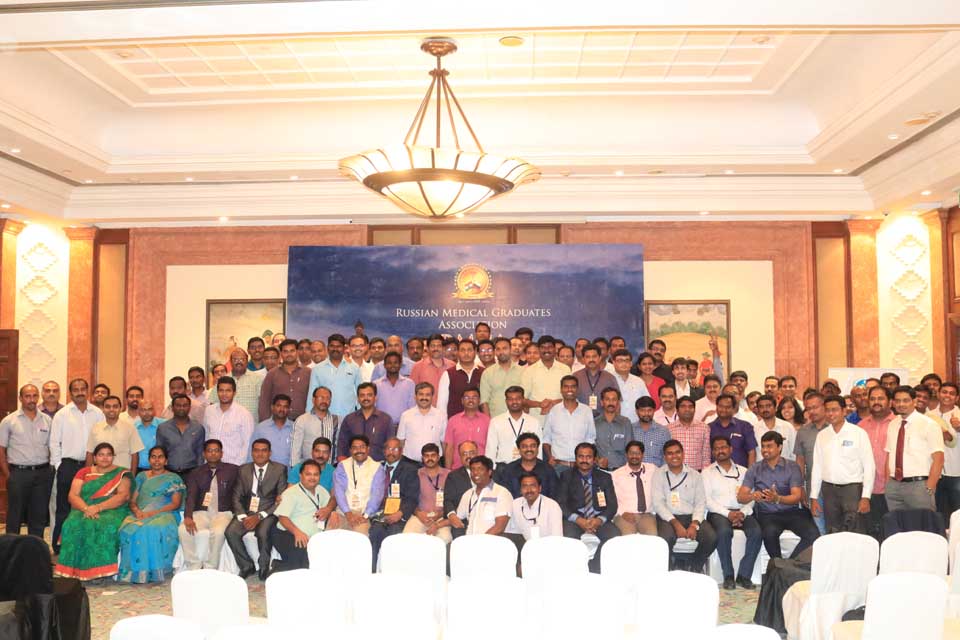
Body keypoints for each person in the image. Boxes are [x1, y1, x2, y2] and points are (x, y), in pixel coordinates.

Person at [54, 442, 131, 580]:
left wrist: (98, 508)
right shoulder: (84, 472)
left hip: (112, 509)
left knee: (101, 524)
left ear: (113, 457)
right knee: (71, 524)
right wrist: (86, 508)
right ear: (94, 458)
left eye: (108, 455)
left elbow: (122, 497)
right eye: (101, 455)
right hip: (84, 507)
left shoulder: (121, 473)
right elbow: (72, 495)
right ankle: (74, 570)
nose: (105, 458)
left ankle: (101, 570)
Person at [738, 431, 819, 559]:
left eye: (769, 446)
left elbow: (796, 497)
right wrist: (752, 496)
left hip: (792, 512)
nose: (765, 450)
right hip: (767, 515)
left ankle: (788, 564)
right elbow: (741, 497)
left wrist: (778, 498)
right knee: (769, 534)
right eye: (763, 446)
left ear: (780, 447)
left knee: (813, 535)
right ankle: (779, 564)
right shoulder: (755, 468)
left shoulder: (792, 467)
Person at [51, 379, 106, 549]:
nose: (80, 392)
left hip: (92, 466)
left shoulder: (97, 413)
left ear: (87, 391)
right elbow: (54, 442)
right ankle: (59, 546)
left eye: (83, 389)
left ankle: (84, 546)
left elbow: (102, 440)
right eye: (76, 389)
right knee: (64, 508)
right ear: (70, 393)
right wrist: (59, 466)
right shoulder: (62, 414)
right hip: (68, 466)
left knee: (90, 505)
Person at [117, 446, 185, 583]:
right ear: (149, 460)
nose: (156, 460)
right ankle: (134, 572)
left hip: (165, 513)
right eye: (153, 457)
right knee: (127, 528)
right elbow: (132, 500)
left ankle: (155, 572)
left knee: (152, 528)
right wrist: (137, 511)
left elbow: (175, 504)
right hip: (141, 513)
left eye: (160, 457)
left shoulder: (173, 478)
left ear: (166, 461)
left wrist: (152, 513)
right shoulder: (141, 477)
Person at [809, 395, 875, 534]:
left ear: (844, 411)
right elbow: (817, 467)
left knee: (855, 531)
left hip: (852, 490)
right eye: (827, 410)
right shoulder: (822, 435)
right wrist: (814, 496)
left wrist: (866, 496)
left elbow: (869, 466)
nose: (831, 414)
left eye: (834, 410)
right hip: (829, 491)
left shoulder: (858, 433)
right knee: (832, 532)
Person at [225, 439, 288, 580]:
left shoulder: (279, 469)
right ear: (252, 453)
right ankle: (246, 566)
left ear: (270, 453)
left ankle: (264, 566)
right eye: (256, 450)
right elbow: (236, 495)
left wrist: (260, 516)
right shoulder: (243, 469)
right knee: (231, 532)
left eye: (264, 450)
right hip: (247, 511)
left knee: (263, 532)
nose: (260, 454)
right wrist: (243, 516)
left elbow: (281, 499)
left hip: (268, 512)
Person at [704, 435, 760, 590]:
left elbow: (751, 497)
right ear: (712, 452)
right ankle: (728, 576)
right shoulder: (707, 473)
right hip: (718, 513)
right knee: (724, 532)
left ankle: (744, 575)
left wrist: (743, 512)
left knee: (756, 532)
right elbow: (707, 500)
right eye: (716, 449)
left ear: (731, 449)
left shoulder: (744, 471)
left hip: (742, 511)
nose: (720, 451)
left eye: (723, 447)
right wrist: (727, 514)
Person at [652, 440, 716, 572]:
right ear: (665, 457)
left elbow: (700, 502)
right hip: (668, 518)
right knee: (665, 539)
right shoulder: (658, 474)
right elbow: (658, 503)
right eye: (670, 453)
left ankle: (694, 566)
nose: (674, 456)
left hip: (691, 517)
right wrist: (675, 524)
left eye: (677, 452)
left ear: (683, 454)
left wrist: (694, 524)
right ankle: (669, 570)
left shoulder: (695, 475)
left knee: (711, 537)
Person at [556, 442, 619, 572]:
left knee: (614, 537)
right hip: (575, 519)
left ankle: (594, 568)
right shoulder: (566, 476)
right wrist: (578, 520)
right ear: (576, 458)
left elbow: (613, 505)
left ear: (594, 459)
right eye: (581, 456)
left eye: (588, 457)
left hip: (598, 518)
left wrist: (599, 520)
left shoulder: (605, 477)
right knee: (568, 538)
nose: (584, 460)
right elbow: (561, 503)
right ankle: (576, 569)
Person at [0, 384, 53, 537]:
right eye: (27, 396)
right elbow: (1, 449)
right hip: (18, 473)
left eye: (35, 396)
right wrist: (8, 475)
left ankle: (35, 548)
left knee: (38, 515)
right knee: (15, 515)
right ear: (20, 398)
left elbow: (52, 446)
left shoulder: (47, 420)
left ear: (38, 397)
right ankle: (11, 549)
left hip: (42, 474)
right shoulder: (9, 421)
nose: (31, 399)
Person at [179, 439, 239, 571]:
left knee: (218, 533)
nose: (213, 454)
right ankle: (194, 566)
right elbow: (191, 496)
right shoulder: (196, 473)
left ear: (222, 453)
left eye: (216, 451)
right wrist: (188, 516)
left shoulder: (233, 470)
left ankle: (210, 567)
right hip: (202, 513)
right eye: (209, 451)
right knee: (183, 530)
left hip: (223, 513)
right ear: (204, 454)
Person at [885, 385, 944, 512]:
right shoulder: (892, 424)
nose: (901, 404)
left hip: (919, 485)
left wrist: (929, 486)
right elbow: (889, 454)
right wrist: (888, 482)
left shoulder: (929, 424)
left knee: (923, 523)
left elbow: (938, 459)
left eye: (905, 400)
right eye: (897, 400)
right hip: (894, 486)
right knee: (897, 523)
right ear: (893, 403)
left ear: (914, 401)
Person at [271, 460, 332, 572]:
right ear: (300, 475)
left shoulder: (322, 491)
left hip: (314, 535)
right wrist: (297, 532)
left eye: (316, 474)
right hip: (288, 533)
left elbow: (327, 510)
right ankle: (278, 567)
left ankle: (281, 565)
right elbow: (282, 517)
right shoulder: (291, 493)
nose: (312, 478)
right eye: (308, 474)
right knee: (303, 564)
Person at [369, 438, 420, 568]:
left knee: (393, 536)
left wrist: (400, 513)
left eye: (395, 449)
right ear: (384, 451)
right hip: (379, 513)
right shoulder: (376, 467)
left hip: (399, 514)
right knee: (375, 533)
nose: (391, 452)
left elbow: (412, 498)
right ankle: (373, 571)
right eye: (388, 449)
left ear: (401, 451)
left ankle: (390, 571)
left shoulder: (410, 470)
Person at [857, 385, 893, 538]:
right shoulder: (860, 427)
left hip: (892, 489)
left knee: (891, 532)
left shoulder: (898, 424)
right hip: (867, 490)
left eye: (880, 398)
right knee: (869, 533)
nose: (876, 402)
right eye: (872, 399)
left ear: (890, 402)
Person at [333, 434, 386, 536]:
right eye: (355, 448)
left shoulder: (377, 468)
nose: (359, 450)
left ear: (368, 449)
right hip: (343, 512)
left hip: (364, 514)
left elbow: (377, 495)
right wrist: (348, 513)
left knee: (360, 538)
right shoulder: (342, 466)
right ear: (350, 450)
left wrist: (365, 515)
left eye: (362, 447)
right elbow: (339, 492)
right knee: (330, 536)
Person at [543, 376, 596, 475]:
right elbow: (546, 439)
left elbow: (590, 439)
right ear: (561, 390)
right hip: (558, 466)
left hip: (581, 466)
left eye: (573, 386)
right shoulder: (553, 411)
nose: (569, 389)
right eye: (566, 386)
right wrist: (550, 457)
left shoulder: (586, 411)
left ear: (577, 389)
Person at [449, 455, 512, 537]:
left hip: (492, 541)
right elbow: (457, 518)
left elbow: (499, 527)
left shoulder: (501, 493)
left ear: (489, 472)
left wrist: (480, 541)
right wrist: (437, 524)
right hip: (469, 540)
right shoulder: (467, 494)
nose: (475, 473)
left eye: (480, 469)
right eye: (473, 469)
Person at [403, 443, 452, 543]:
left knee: (444, 538)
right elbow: (409, 499)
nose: (430, 459)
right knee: (407, 537)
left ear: (438, 457)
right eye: (426, 456)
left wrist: (440, 514)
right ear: (422, 458)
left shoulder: (449, 475)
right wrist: (418, 513)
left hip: (442, 517)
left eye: (433, 455)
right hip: (420, 516)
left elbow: (453, 501)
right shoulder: (416, 474)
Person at [794, 392, 829, 533]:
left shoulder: (835, 429)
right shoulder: (803, 432)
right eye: (808, 408)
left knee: (835, 527)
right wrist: (800, 487)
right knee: (819, 528)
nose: (812, 411)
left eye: (815, 407)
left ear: (824, 406)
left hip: (834, 487)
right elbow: (800, 461)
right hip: (813, 487)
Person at [504, 472, 563, 554]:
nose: (529, 490)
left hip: (548, 550)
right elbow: (512, 534)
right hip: (525, 550)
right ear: (520, 490)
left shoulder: (552, 506)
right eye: (525, 486)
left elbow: (557, 539)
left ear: (540, 488)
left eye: (533, 486)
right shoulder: (515, 504)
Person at [308, 334, 361, 420]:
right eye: (332, 346)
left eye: (338, 346)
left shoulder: (354, 368)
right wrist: (309, 417)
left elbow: (360, 393)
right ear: (327, 348)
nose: (335, 349)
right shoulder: (317, 369)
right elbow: (312, 395)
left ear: (344, 348)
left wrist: (360, 416)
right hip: (324, 418)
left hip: (349, 417)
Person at [204, 376, 255, 466]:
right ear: (217, 392)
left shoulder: (244, 414)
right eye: (221, 390)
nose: (224, 394)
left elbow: (247, 443)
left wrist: (237, 465)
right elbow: (207, 437)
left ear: (234, 393)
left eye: (228, 391)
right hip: (211, 464)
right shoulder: (209, 411)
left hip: (233, 465)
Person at [486, 386, 542, 466]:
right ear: (506, 401)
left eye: (518, 399)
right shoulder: (496, 422)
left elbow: (538, 449)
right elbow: (491, 449)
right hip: (504, 467)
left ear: (523, 400)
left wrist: (538, 467)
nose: (514, 402)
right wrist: (491, 468)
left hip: (527, 467)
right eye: (510, 399)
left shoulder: (534, 422)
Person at [86, 395, 145, 471]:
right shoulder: (95, 428)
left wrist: (132, 475)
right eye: (108, 407)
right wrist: (87, 474)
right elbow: (90, 453)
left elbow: (135, 455)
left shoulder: (130, 428)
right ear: (103, 409)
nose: (111, 409)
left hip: (122, 474)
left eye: (115, 406)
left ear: (120, 409)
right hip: (100, 474)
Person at [610, 440, 657, 536]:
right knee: (628, 537)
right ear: (626, 454)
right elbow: (611, 498)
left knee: (652, 536)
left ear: (642, 455)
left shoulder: (653, 469)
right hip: (624, 514)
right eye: (631, 453)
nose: (634, 456)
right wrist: (622, 512)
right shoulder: (616, 475)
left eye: (637, 453)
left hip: (646, 514)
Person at [257, 338, 310, 422]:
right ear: (281, 354)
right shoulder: (272, 374)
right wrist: (265, 423)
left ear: (297, 352)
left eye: (292, 351)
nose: (289, 354)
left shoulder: (308, 373)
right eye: (285, 351)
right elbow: (264, 400)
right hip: (278, 422)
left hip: (303, 422)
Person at [337, 383, 393, 462]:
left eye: (369, 395)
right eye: (362, 395)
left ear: (375, 397)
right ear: (358, 399)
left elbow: (390, 446)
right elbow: (342, 445)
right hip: (352, 465)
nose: (366, 398)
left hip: (378, 465)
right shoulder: (349, 419)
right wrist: (343, 466)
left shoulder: (385, 420)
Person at [156, 394, 205, 482]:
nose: (181, 408)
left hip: (192, 474)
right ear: (172, 408)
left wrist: (199, 475)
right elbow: (159, 452)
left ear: (189, 408)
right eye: (178, 405)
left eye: (185, 405)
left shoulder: (198, 428)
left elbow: (200, 455)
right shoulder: (163, 428)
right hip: (169, 474)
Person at [520, 335, 572, 416]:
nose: (546, 350)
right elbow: (522, 399)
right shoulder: (529, 371)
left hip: (561, 417)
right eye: (543, 347)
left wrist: (553, 403)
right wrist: (540, 404)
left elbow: (571, 394)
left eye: (549, 347)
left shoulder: (565, 369)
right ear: (539, 349)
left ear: (555, 349)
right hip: (537, 419)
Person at [495, 432, 557, 499]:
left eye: (532, 446)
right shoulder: (509, 470)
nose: (529, 449)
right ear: (519, 449)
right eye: (524, 447)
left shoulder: (548, 470)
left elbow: (554, 496)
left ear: (537, 448)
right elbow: (504, 496)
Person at [397, 382, 446, 464]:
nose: (424, 397)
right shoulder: (406, 415)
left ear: (432, 397)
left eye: (428, 395)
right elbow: (401, 441)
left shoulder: (441, 416)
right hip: (410, 463)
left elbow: (444, 443)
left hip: (434, 464)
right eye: (421, 394)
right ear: (415, 396)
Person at [444, 387, 490, 469]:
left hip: (481, 469)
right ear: (462, 401)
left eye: (474, 397)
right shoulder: (453, 421)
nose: (470, 400)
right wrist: (447, 470)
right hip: (458, 468)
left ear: (479, 400)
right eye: (467, 397)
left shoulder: (487, 421)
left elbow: (491, 447)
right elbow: (449, 448)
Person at [292, 386, 339, 466]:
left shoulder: (337, 420)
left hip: (330, 469)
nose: (324, 401)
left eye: (327, 398)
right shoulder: (302, 420)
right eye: (321, 397)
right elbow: (295, 449)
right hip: (308, 469)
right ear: (313, 400)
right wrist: (295, 468)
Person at [437, 339, 485, 418]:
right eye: (462, 350)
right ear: (458, 352)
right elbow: (441, 405)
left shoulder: (484, 373)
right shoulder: (448, 374)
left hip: (479, 422)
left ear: (475, 352)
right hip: (455, 422)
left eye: (469, 350)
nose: (466, 353)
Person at [480, 337, 524, 417]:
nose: (501, 352)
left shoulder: (523, 372)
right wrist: (488, 421)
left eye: (504, 348)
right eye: (498, 349)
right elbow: (484, 401)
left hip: (518, 419)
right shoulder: (487, 373)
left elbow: (526, 398)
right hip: (495, 419)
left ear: (510, 350)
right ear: (495, 352)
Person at [936, 382, 960, 523]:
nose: (947, 396)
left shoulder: (958, 415)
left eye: (952, 393)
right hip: (935, 474)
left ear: (956, 398)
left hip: (956, 473)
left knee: (957, 515)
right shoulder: (929, 415)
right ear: (938, 394)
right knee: (939, 515)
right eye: (944, 392)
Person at [667, 396, 712, 471]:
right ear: (677, 410)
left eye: (690, 407)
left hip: (697, 473)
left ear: (694, 410)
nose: (687, 409)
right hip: (675, 472)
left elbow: (706, 456)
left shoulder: (704, 428)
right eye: (683, 406)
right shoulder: (668, 429)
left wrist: (704, 474)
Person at [410, 334, 454, 408]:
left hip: (448, 410)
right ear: (427, 348)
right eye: (433, 346)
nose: (435, 348)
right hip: (425, 410)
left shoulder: (452, 366)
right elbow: (412, 392)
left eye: (439, 346)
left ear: (443, 348)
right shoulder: (418, 367)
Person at [573, 343, 618, 416]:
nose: (591, 359)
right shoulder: (575, 377)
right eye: (588, 357)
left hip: (604, 420)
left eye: (594, 356)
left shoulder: (610, 378)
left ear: (600, 357)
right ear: (583, 359)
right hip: (581, 419)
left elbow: (617, 404)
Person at [373, 352, 416, 428]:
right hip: (382, 426)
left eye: (395, 363)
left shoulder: (410, 384)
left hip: (404, 426)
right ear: (384, 365)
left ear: (400, 364)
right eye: (389, 363)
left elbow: (412, 408)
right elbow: (373, 407)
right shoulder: (376, 384)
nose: (392, 365)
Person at [594, 387, 632, 470]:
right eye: (607, 399)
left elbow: (630, 448)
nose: (611, 403)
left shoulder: (626, 423)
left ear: (618, 403)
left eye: (614, 399)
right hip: (600, 470)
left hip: (621, 470)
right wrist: (597, 460)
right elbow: (590, 447)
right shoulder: (594, 423)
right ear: (602, 402)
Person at [252, 394, 294, 466]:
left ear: (289, 409)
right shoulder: (261, 428)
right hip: (266, 471)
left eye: (285, 407)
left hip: (289, 471)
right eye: (278, 406)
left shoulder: (295, 428)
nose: (282, 409)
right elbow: (252, 451)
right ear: (272, 407)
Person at [754, 394, 796, 462]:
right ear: (758, 409)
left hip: (785, 467)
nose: (765, 409)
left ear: (775, 407)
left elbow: (794, 453)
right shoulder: (754, 429)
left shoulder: (787, 427)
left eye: (768, 406)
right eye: (761, 407)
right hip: (761, 468)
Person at [632, 396, 672, 468]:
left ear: (654, 411)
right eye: (642, 410)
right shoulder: (630, 429)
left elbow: (667, 456)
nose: (646, 413)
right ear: (636, 411)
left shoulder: (663, 431)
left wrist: (660, 472)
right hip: (634, 472)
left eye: (649, 410)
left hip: (656, 473)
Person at [133, 401, 162, 471]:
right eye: (143, 410)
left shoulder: (163, 425)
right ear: (138, 412)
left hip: (159, 469)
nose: (147, 413)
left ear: (154, 411)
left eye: (150, 409)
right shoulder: (133, 428)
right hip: (138, 469)